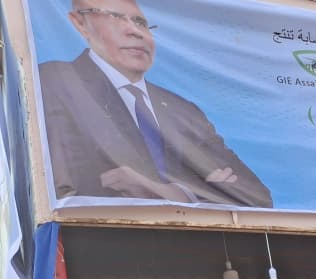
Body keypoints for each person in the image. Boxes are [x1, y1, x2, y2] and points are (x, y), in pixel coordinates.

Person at [39, 1, 272, 207]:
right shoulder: (56, 82)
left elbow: (256, 196)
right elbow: (66, 188)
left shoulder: (183, 110)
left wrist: (175, 194)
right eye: (115, 17)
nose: (134, 31)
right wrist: (206, 190)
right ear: (80, 23)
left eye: (140, 22)